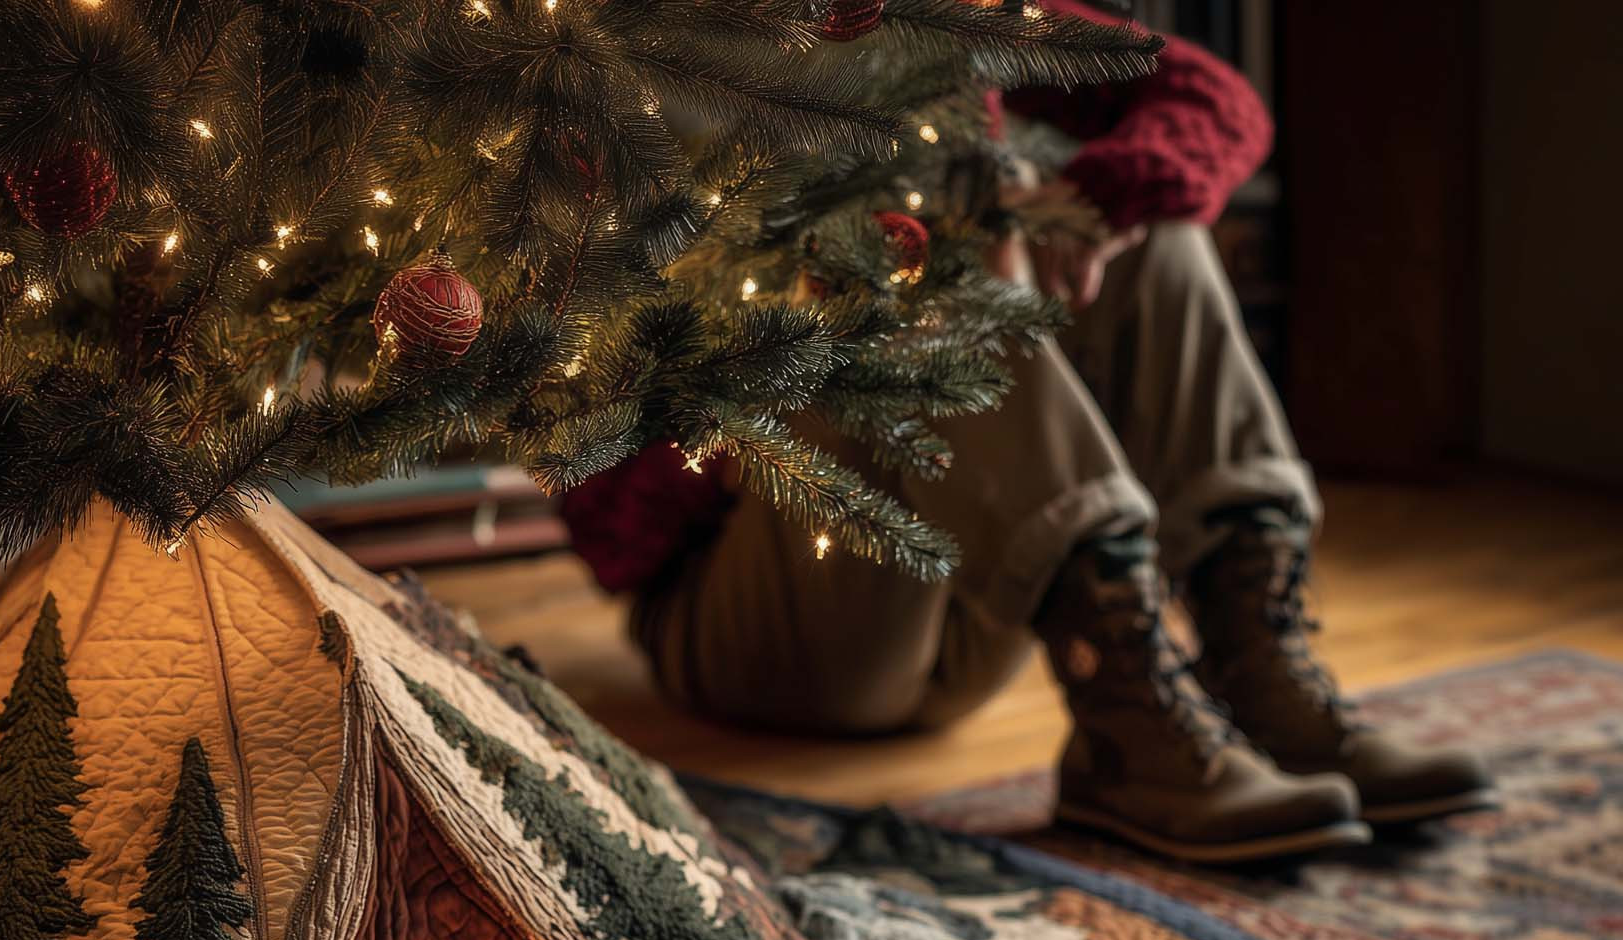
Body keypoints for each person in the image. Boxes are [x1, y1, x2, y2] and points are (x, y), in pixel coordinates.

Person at [561, 2, 1493, 864]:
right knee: (896, 272)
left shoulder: (939, 19)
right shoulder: (627, 49)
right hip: (769, 619)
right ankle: (1126, 706)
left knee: (1149, 228)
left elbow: (1212, 95)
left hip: (971, 602)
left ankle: (1246, 666)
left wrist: (1091, 205)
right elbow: (590, 460)